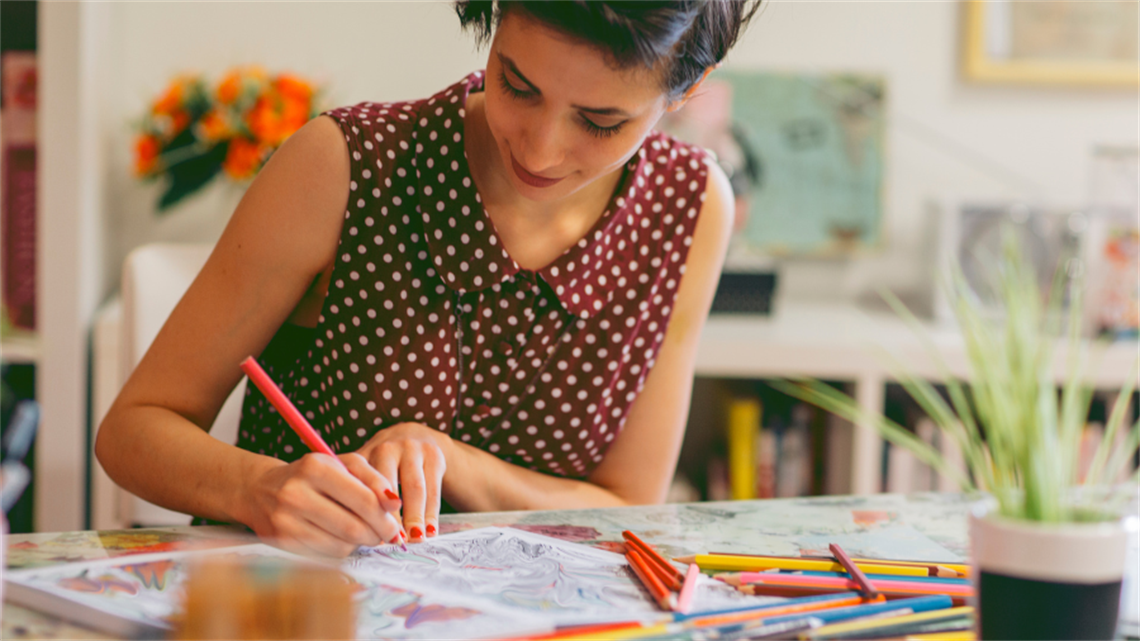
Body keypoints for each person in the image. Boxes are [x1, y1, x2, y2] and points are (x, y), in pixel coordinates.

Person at [97, 0, 761, 558]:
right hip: (297, 606)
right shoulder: (347, 164)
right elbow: (133, 431)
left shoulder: (692, 205)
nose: (540, 147)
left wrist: (452, 459)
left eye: (600, 121)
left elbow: (629, 504)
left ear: (690, 88)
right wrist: (255, 487)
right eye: (518, 84)